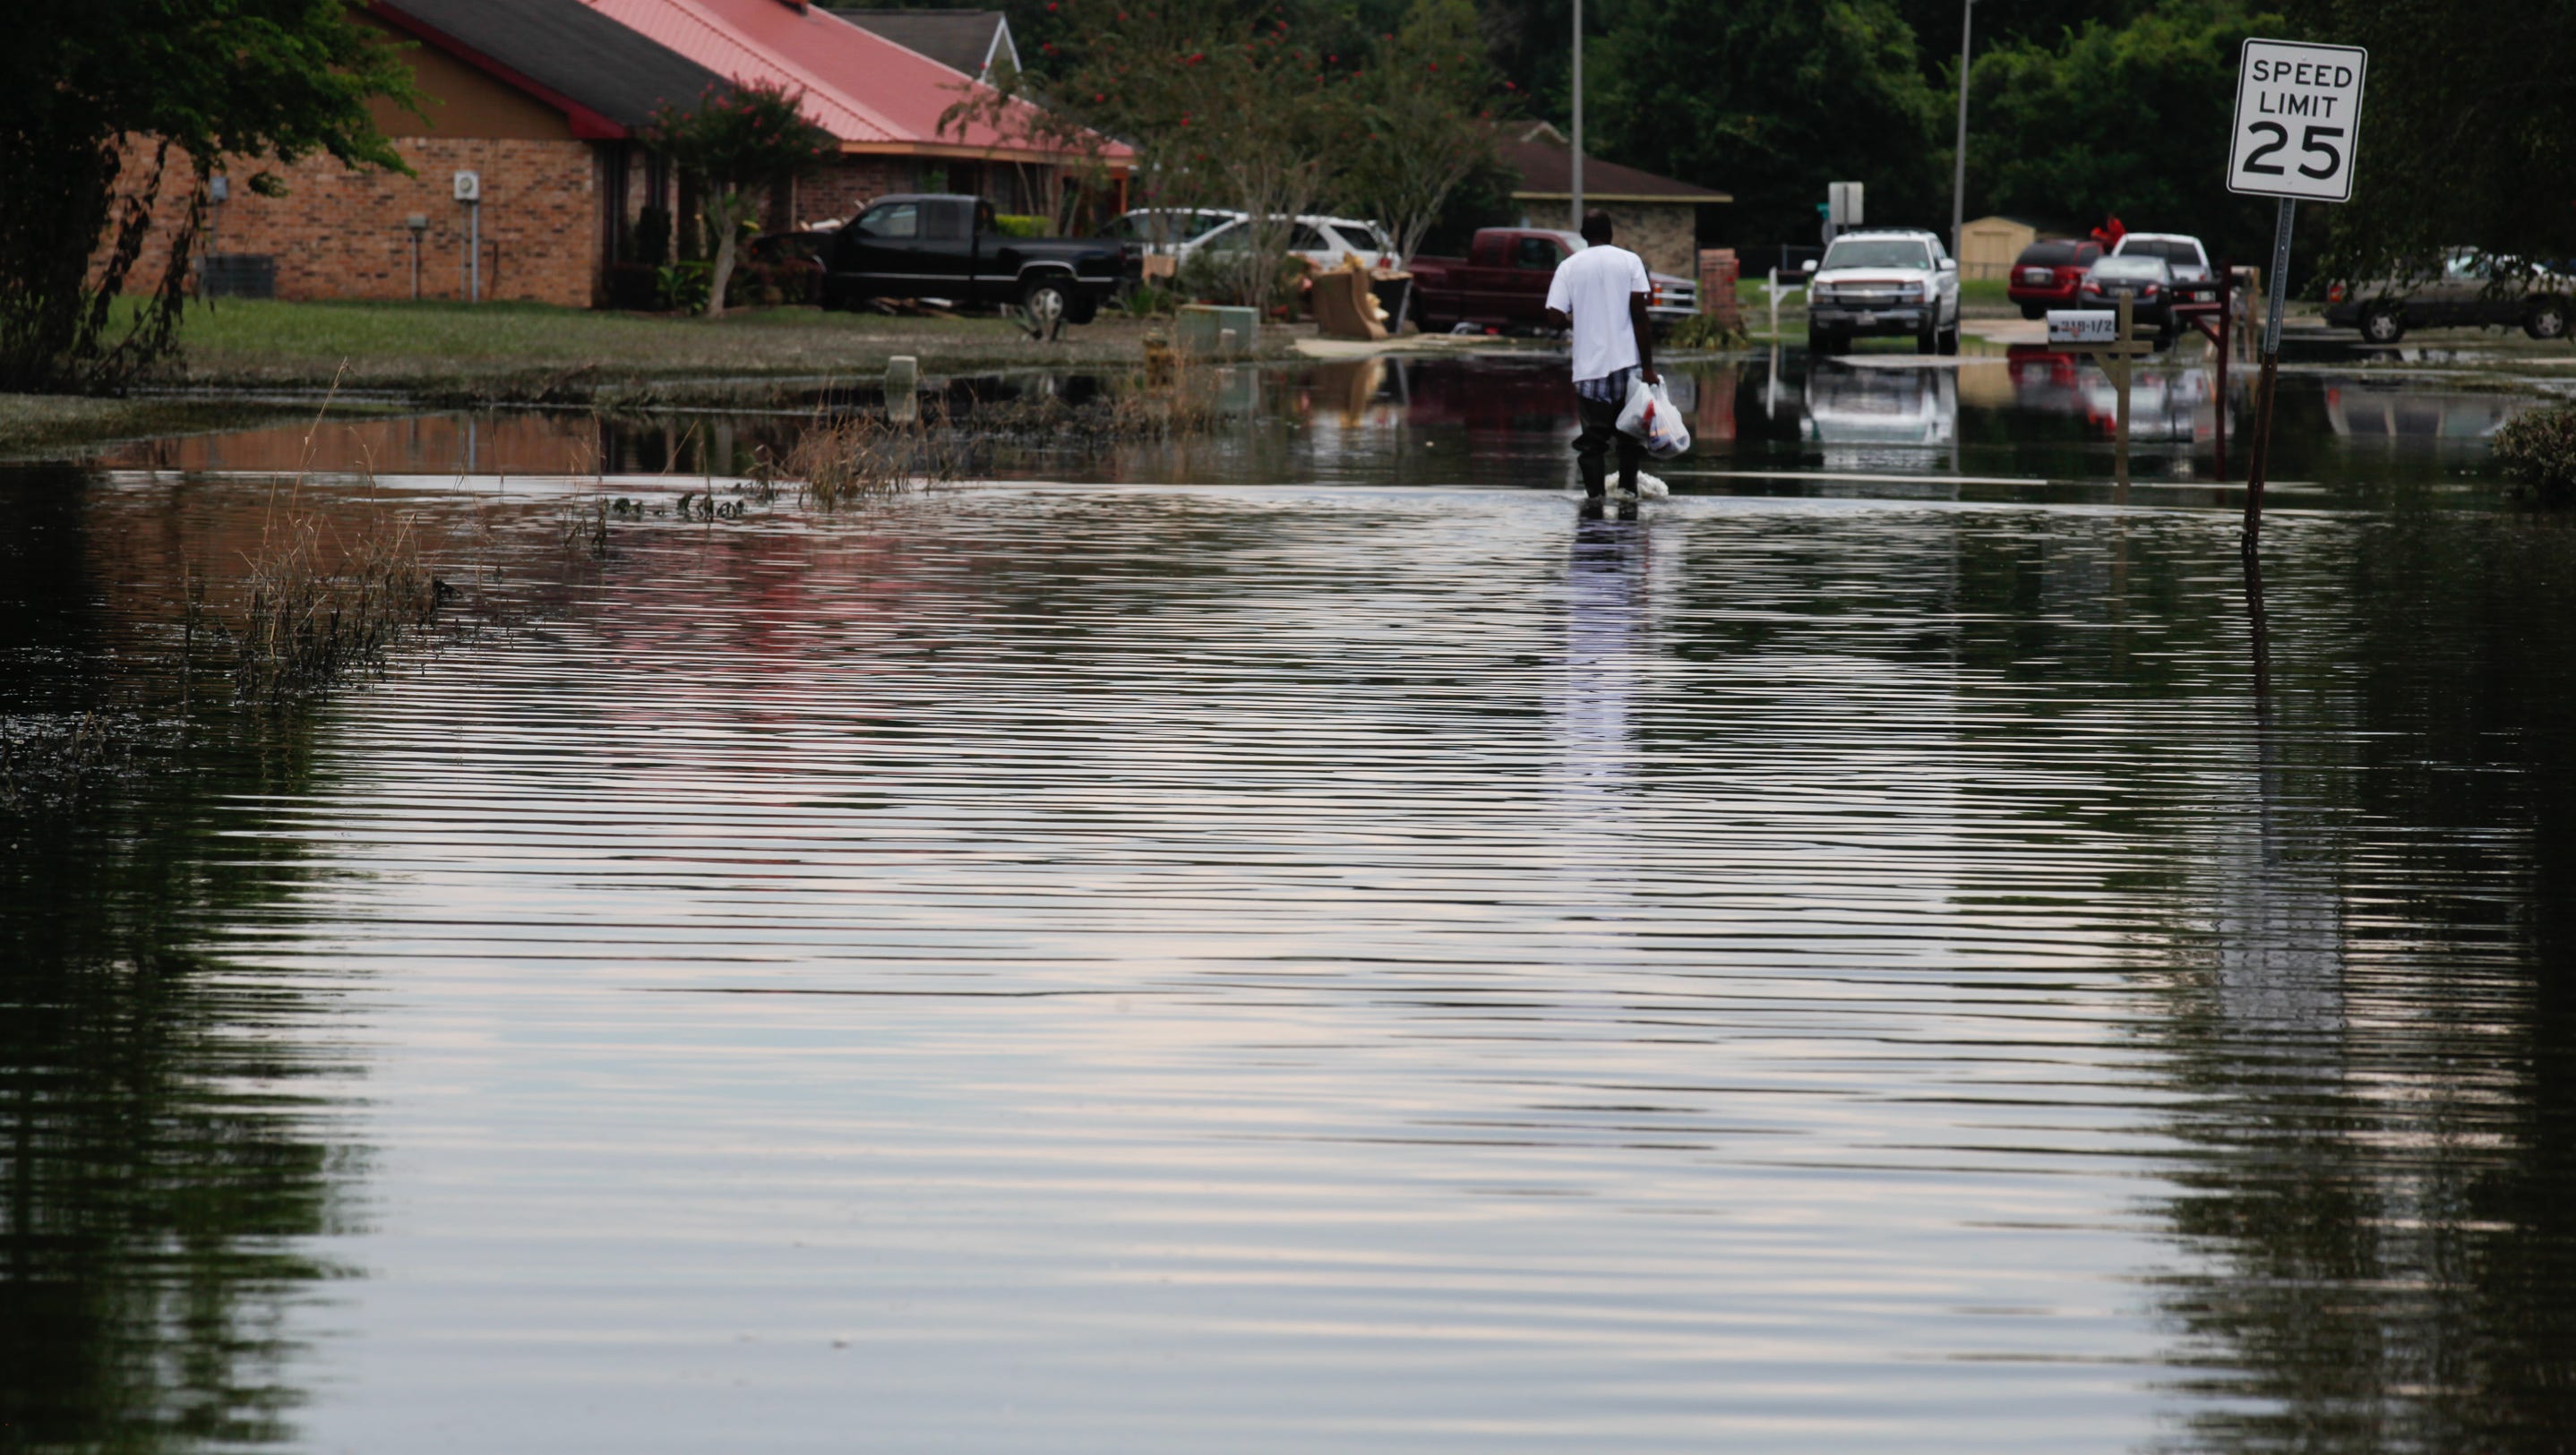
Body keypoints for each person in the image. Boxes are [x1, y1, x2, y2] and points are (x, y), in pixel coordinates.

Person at [1543, 210, 1659, 503]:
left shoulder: (1568, 267)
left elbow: (1554, 317)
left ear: (1583, 234)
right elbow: (1640, 316)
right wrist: (1648, 369)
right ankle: (1628, 493)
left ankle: (1594, 499)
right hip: (1628, 367)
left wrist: (1579, 320)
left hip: (1589, 369)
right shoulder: (1630, 261)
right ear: (1611, 233)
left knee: (1593, 443)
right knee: (1631, 437)